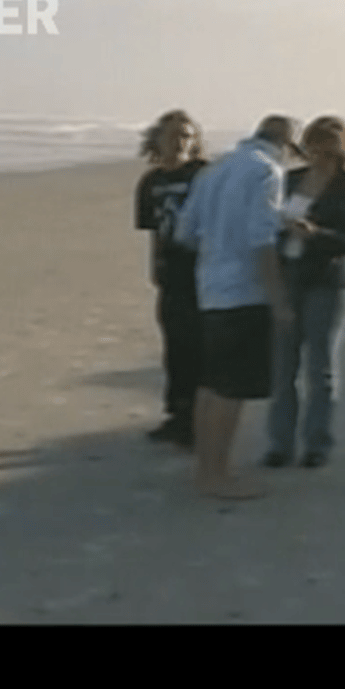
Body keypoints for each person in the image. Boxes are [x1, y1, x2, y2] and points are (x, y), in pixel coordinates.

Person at [174, 115, 300, 499]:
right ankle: (218, 474)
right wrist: (279, 300)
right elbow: (261, 239)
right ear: (285, 144)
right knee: (232, 389)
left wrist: (218, 251)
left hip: (210, 287)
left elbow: (185, 232)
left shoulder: (215, 168)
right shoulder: (267, 171)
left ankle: (205, 469)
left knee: (210, 385)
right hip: (245, 291)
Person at [263, 117, 345, 470]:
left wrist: (317, 235)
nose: (322, 156)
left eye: (329, 150)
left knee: (320, 369)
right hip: (287, 277)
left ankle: (317, 444)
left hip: (327, 281)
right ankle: (280, 445)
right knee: (283, 368)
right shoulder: (289, 180)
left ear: (342, 150)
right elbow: (265, 224)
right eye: (316, 148)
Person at [134, 110, 210, 448]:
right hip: (172, 273)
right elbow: (153, 230)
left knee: (201, 348)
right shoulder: (151, 183)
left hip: (204, 270)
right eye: (173, 135)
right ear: (158, 139)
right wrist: (155, 266)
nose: (180, 142)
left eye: (186, 136)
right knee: (175, 347)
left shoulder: (204, 176)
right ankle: (177, 415)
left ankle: (200, 421)